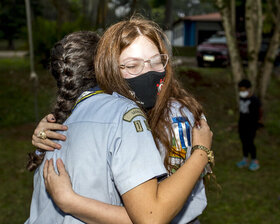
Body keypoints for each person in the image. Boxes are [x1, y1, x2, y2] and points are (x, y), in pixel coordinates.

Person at [28, 18, 213, 224]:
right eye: (132, 65)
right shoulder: (113, 117)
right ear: (108, 70)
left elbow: (151, 213)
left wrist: (200, 153)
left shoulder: (180, 114)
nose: (148, 73)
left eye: (156, 61)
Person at [236, 79, 262, 171]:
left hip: (251, 126)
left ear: (248, 89)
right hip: (242, 124)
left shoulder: (254, 100)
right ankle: (245, 159)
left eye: (243, 90)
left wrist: (257, 125)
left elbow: (258, 114)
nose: (241, 92)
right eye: (240, 90)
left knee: (250, 142)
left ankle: (255, 161)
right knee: (243, 141)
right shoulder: (242, 98)